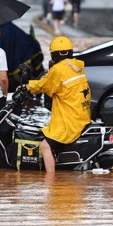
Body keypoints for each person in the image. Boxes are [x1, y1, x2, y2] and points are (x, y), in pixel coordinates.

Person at [26, 36, 91, 174]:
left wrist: (27, 86)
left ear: (53, 54)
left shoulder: (58, 70)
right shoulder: (77, 67)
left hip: (69, 122)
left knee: (44, 145)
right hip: (82, 117)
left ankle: (51, 182)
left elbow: (44, 86)